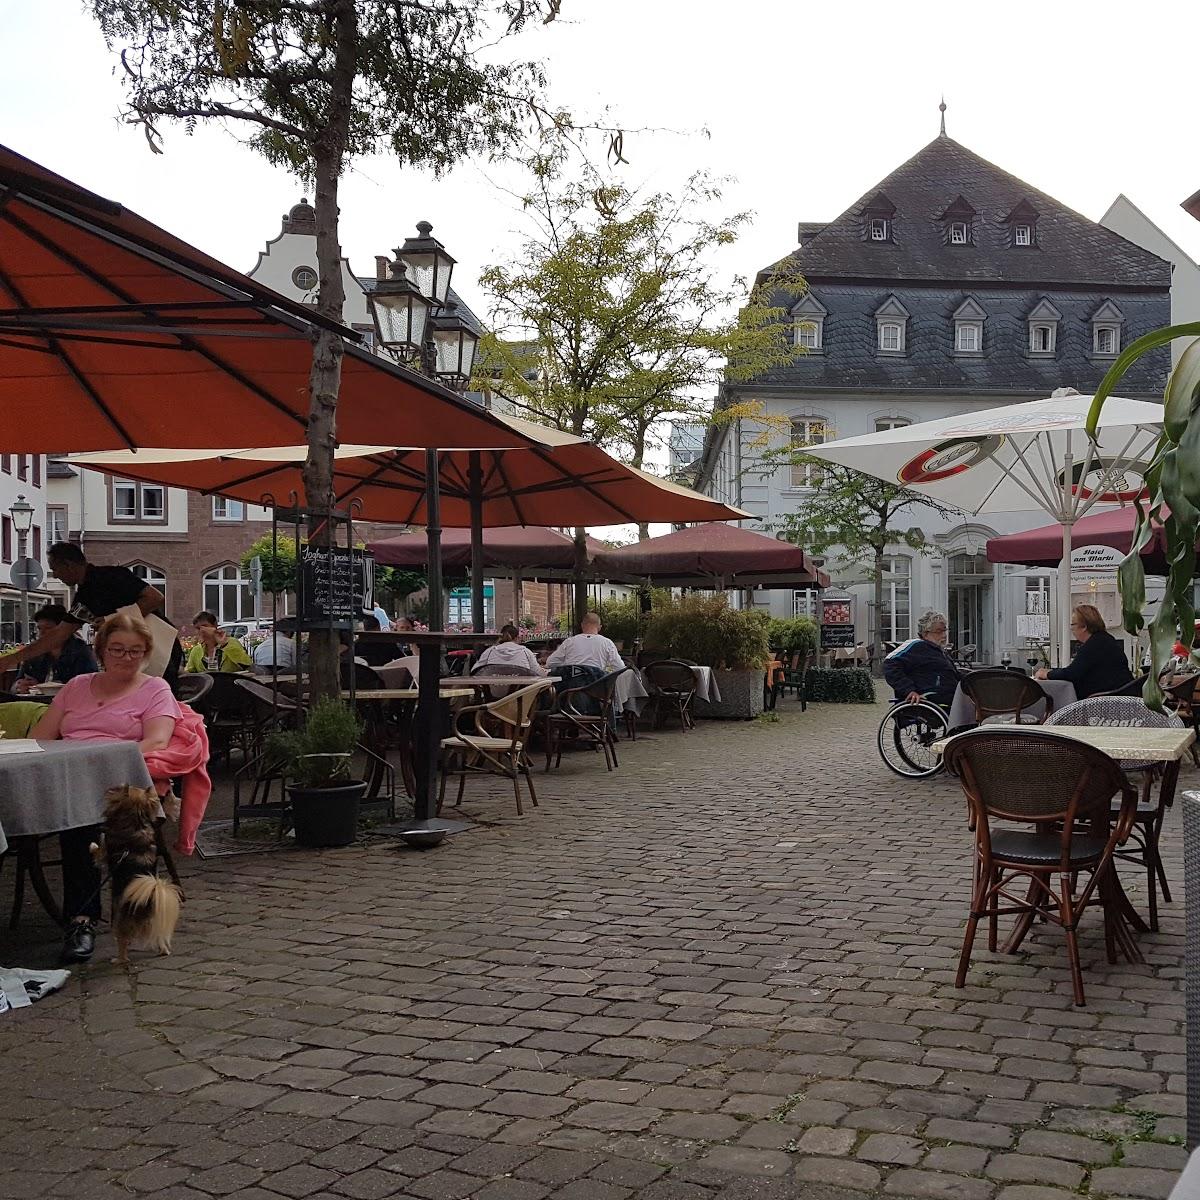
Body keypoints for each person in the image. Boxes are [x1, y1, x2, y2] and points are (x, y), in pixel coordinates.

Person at [30, 612, 179, 963]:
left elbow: (157, 741)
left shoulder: (155, 689)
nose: (126, 657)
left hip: (128, 783)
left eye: (135, 651)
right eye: (117, 649)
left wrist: (101, 763)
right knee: (74, 813)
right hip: (73, 780)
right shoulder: (76, 687)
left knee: (90, 821)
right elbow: (41, 738)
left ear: (145, 653)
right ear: (101, 650)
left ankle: (120, 914)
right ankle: (82, 920)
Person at [0, 542, 182, 688]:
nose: (55, 575)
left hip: (160, 650)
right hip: (137, 653)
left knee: (159, 698)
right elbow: (58, 635)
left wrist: (111, 621)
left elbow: (155, 598)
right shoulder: (83, 596)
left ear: (68, 565)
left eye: (55, 568)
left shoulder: (112, 576)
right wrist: (11, 659)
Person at [1036, 604, 1133, 700]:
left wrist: (1046, 674)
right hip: (1123, 697)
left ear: (1084, 627)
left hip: (1106, 702)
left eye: (1073, 624)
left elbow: (1071, 674)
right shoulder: (1106, 640)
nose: (1071, 628)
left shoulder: (1094, 645)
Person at [12, 603, 97, 692]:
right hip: (35, 700)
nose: (42, 633)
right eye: (39, 628)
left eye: (48, 628)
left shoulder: (80, 653)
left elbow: (90, 685)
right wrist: (19, 685)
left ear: (63, 630)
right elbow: (15, 685)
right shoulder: (34, 654)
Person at [883, 610, 961, 707]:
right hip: (930, 703)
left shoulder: (940, 651)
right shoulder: (916, 645)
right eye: (939, 631)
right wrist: (909, 690)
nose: (944, 635)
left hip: (952, 699)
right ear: (925, 633)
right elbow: (890, 663)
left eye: (945, 630)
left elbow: (955, 675)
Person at [546, 612, 625, 678]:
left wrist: (568, 666)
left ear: (582, 625)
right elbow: (620, 667)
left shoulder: (569, 642)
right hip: (596, 688)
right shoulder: (607, 643)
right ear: (599, 627)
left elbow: (550, 662)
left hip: (571, 688)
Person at [183, 611, 253, 673]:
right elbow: (189, 672)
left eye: (205, 626)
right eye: (198, 628)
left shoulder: (231, 642)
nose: (202, 631)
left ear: (214, 626)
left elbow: (247, 664)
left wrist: (224, 645)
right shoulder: (196, 650)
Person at [473, 624, 546, 676]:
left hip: (493, 692)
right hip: (523, 692)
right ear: (517, 638)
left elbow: (475, 670)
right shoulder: (525, 652)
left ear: (500, 637)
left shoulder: (490, 651)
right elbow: (538, 673)